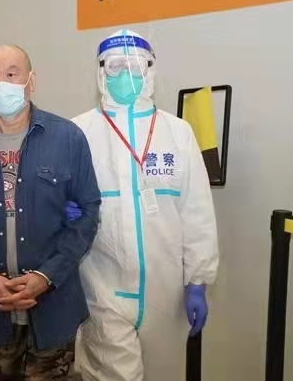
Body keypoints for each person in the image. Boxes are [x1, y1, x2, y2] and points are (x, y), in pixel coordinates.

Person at [0, 44, 101, 381]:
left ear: (31, 81)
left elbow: (87, 213)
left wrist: (47, 276)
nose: (1, 83)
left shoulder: (67, 138)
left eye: (11, 74)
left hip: (54, 305)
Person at [71, 29, 219, 381]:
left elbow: (197, 211)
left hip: (165, 290)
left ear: (150, 70)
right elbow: (56, 198)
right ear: (101, 71)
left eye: (136, 66)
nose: (126, 75)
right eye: (116, 67)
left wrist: (197, 280)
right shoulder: (78, 132)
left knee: (165, 373)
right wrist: (64, 213)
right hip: (101, 285)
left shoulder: (177, 132)